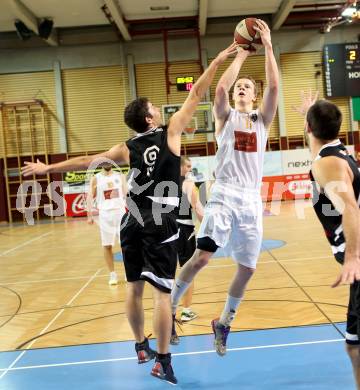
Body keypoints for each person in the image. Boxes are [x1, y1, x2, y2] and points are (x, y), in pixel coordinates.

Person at [21, 42, 238, 385]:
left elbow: (86, 161)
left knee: (133, 287)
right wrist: (219, 59)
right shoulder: (170, 132)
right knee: (162, 295)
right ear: (151, 117)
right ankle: (163, 361)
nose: (158, 110)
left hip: (130, 219)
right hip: (160, 221)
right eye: (154, 107)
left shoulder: (127, 147)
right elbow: (198, 92)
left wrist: (48, 166)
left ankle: (140, 346)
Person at [171, 19, 279, 355]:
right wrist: (241, 56)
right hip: (224, 193)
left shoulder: (262, 120)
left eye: (247, 87)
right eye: (239, 87)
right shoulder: (226, 117)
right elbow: (218, 91)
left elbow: (275, 88)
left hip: (250, 200)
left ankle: (224, 322)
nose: (241, 89)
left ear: (255, 95)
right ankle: (170, 308)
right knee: (202, 257)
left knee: (247, 268)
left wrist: (269, 46)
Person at [296, 92, 360, 389]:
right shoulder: (334, 151)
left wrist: (353, 257)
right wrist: (310, 115)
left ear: (309, 129)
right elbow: (317, 147)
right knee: (354, 347)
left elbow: (350, 209)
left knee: (356, 347)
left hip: (358, 256)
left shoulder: (327, 165)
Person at [171, 157, 204, 343]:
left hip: (166, 229)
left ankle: (169, 309)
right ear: (181, 167)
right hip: (185, 229)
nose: (190, 169)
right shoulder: (189, 184)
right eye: (188, 166)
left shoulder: (164, 182)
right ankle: (186, 310)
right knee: (188, 271)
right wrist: (208, 227)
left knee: (169, 271)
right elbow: (196, 207)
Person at [86, 165, 127, 285]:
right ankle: (112, 274)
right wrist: (89, 215)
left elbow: (127, 194)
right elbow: (89, 196)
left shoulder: (120, 176)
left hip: (120, 213)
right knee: (107, 245)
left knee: (125, 245)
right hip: (105, 215)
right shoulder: (96, 178)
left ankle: (127, 272)